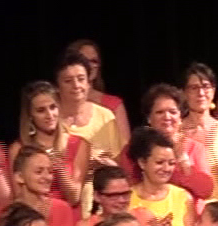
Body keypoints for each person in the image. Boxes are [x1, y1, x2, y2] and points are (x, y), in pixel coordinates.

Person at [127, 130, 199, 226]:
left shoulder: (183, 197)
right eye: (160, 162)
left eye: (171, 163)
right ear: (142, 163)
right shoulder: (127, 197)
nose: (166, 169)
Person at [14, 80, 93, 211]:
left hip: (67, 216)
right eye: (41, 110)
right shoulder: (18, 149)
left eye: (53, 107)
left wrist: (58, 167)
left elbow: (74, 198)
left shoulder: (79, 144)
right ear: (30, 116)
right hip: (33, 216)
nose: (49, 115)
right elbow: (18, 197)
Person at [180, 64, 218, 196]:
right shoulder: (176, 131)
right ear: (184, 93)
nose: (201, 93)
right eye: (194, 88)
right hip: (187, 207)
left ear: (213, 92)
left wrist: (215, 156)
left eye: (206, 87)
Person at [63, 38, 134, 144]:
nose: (90, 65)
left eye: (94, 61)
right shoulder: (55, 103)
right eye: (84, 60)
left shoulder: (113, 105)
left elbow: (124, 148)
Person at [57, 51, 122, 165]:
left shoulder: (106, 116)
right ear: (57, 86)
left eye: (81, 79)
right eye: (68, 81)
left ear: (88, 83)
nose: (76, 85)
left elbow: (118, 164)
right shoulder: (51, 119)